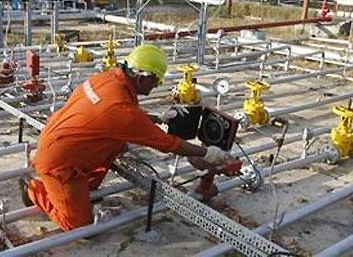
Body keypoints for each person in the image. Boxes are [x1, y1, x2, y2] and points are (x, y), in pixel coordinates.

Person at [21, 44, 233, 231]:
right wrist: (207, 153)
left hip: (61, 142)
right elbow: (168, 143)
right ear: (142, 77)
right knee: (78, 226)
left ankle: (81, 188)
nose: (156, 86)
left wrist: (156, 118)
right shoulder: (120, 110)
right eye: (156, 81)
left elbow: (118, 116)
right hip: (59, 163)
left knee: (118, 145)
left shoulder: (105, 79)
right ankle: (33, 190)